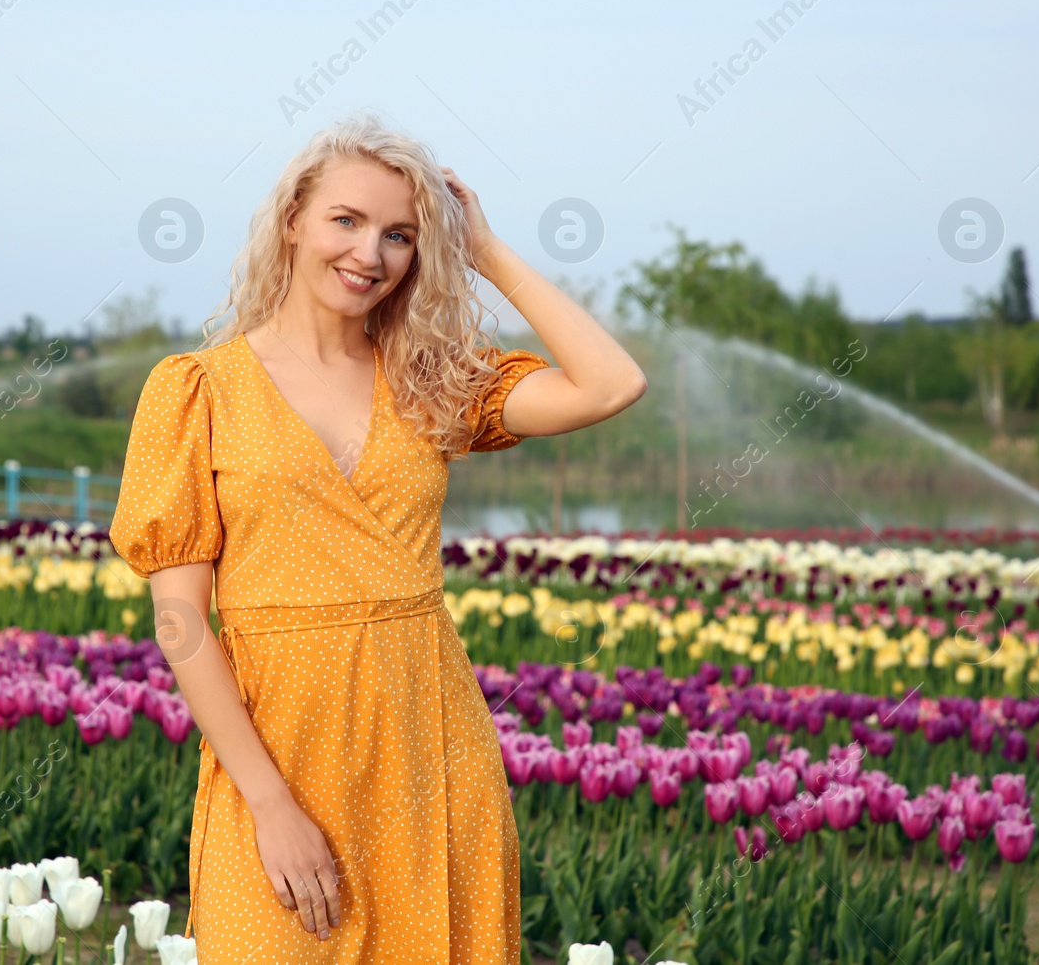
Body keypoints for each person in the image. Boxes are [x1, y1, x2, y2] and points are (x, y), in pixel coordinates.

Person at [107, 112, 646, 962]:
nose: (370, 253)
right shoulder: (196, 391)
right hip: (278, 765)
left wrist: (487, 251)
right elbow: (180, 624)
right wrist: (271, 805)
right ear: (292, 220)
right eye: (346, 221)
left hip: (433, 760)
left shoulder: (431, 380)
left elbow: (612, 382)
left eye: (400, 234)